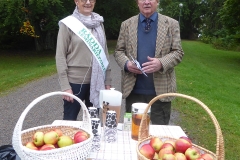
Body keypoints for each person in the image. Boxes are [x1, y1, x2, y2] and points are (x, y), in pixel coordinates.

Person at [114, 0, 184, 125]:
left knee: (159, 135)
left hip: (160, 92)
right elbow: (119, 51)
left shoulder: (171, 24)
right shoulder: (126, 24)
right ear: (137, 2)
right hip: (133, 91)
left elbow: (178, 52)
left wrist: (161, 63)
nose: (146, 2)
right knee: (133, 134)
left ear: (157, 2)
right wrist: (127, 64)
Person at [56, 0, 112, 120]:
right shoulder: (68, 24)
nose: (88, 2)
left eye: (91, 0)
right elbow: (60, 56)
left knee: (93, 122)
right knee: (70, 121)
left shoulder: (99, 23)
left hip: (97, 81)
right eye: (83, 0)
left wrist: (108, 80)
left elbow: (105, 52)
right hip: (75, 82)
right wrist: (65, 86)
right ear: (76, 1)